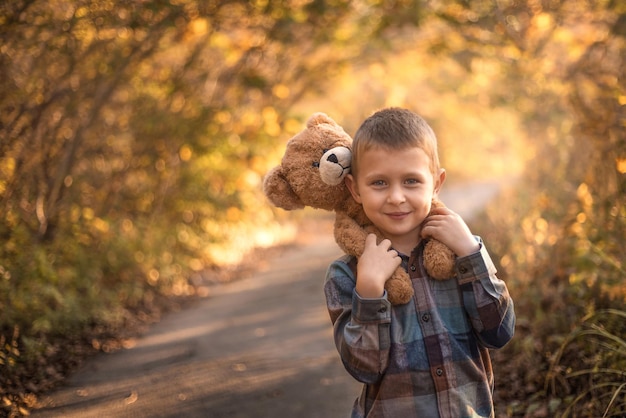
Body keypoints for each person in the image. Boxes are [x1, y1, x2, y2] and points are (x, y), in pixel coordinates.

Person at [323, 107, 515, 417]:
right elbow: (364, 368)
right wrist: (370, 292)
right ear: (354, 188)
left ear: (436, 183)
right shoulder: (346, 275)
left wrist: (471, 254)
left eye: (411, 181)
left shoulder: (462, 253)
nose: (397, 197)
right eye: (379, 183)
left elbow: (500, 332)